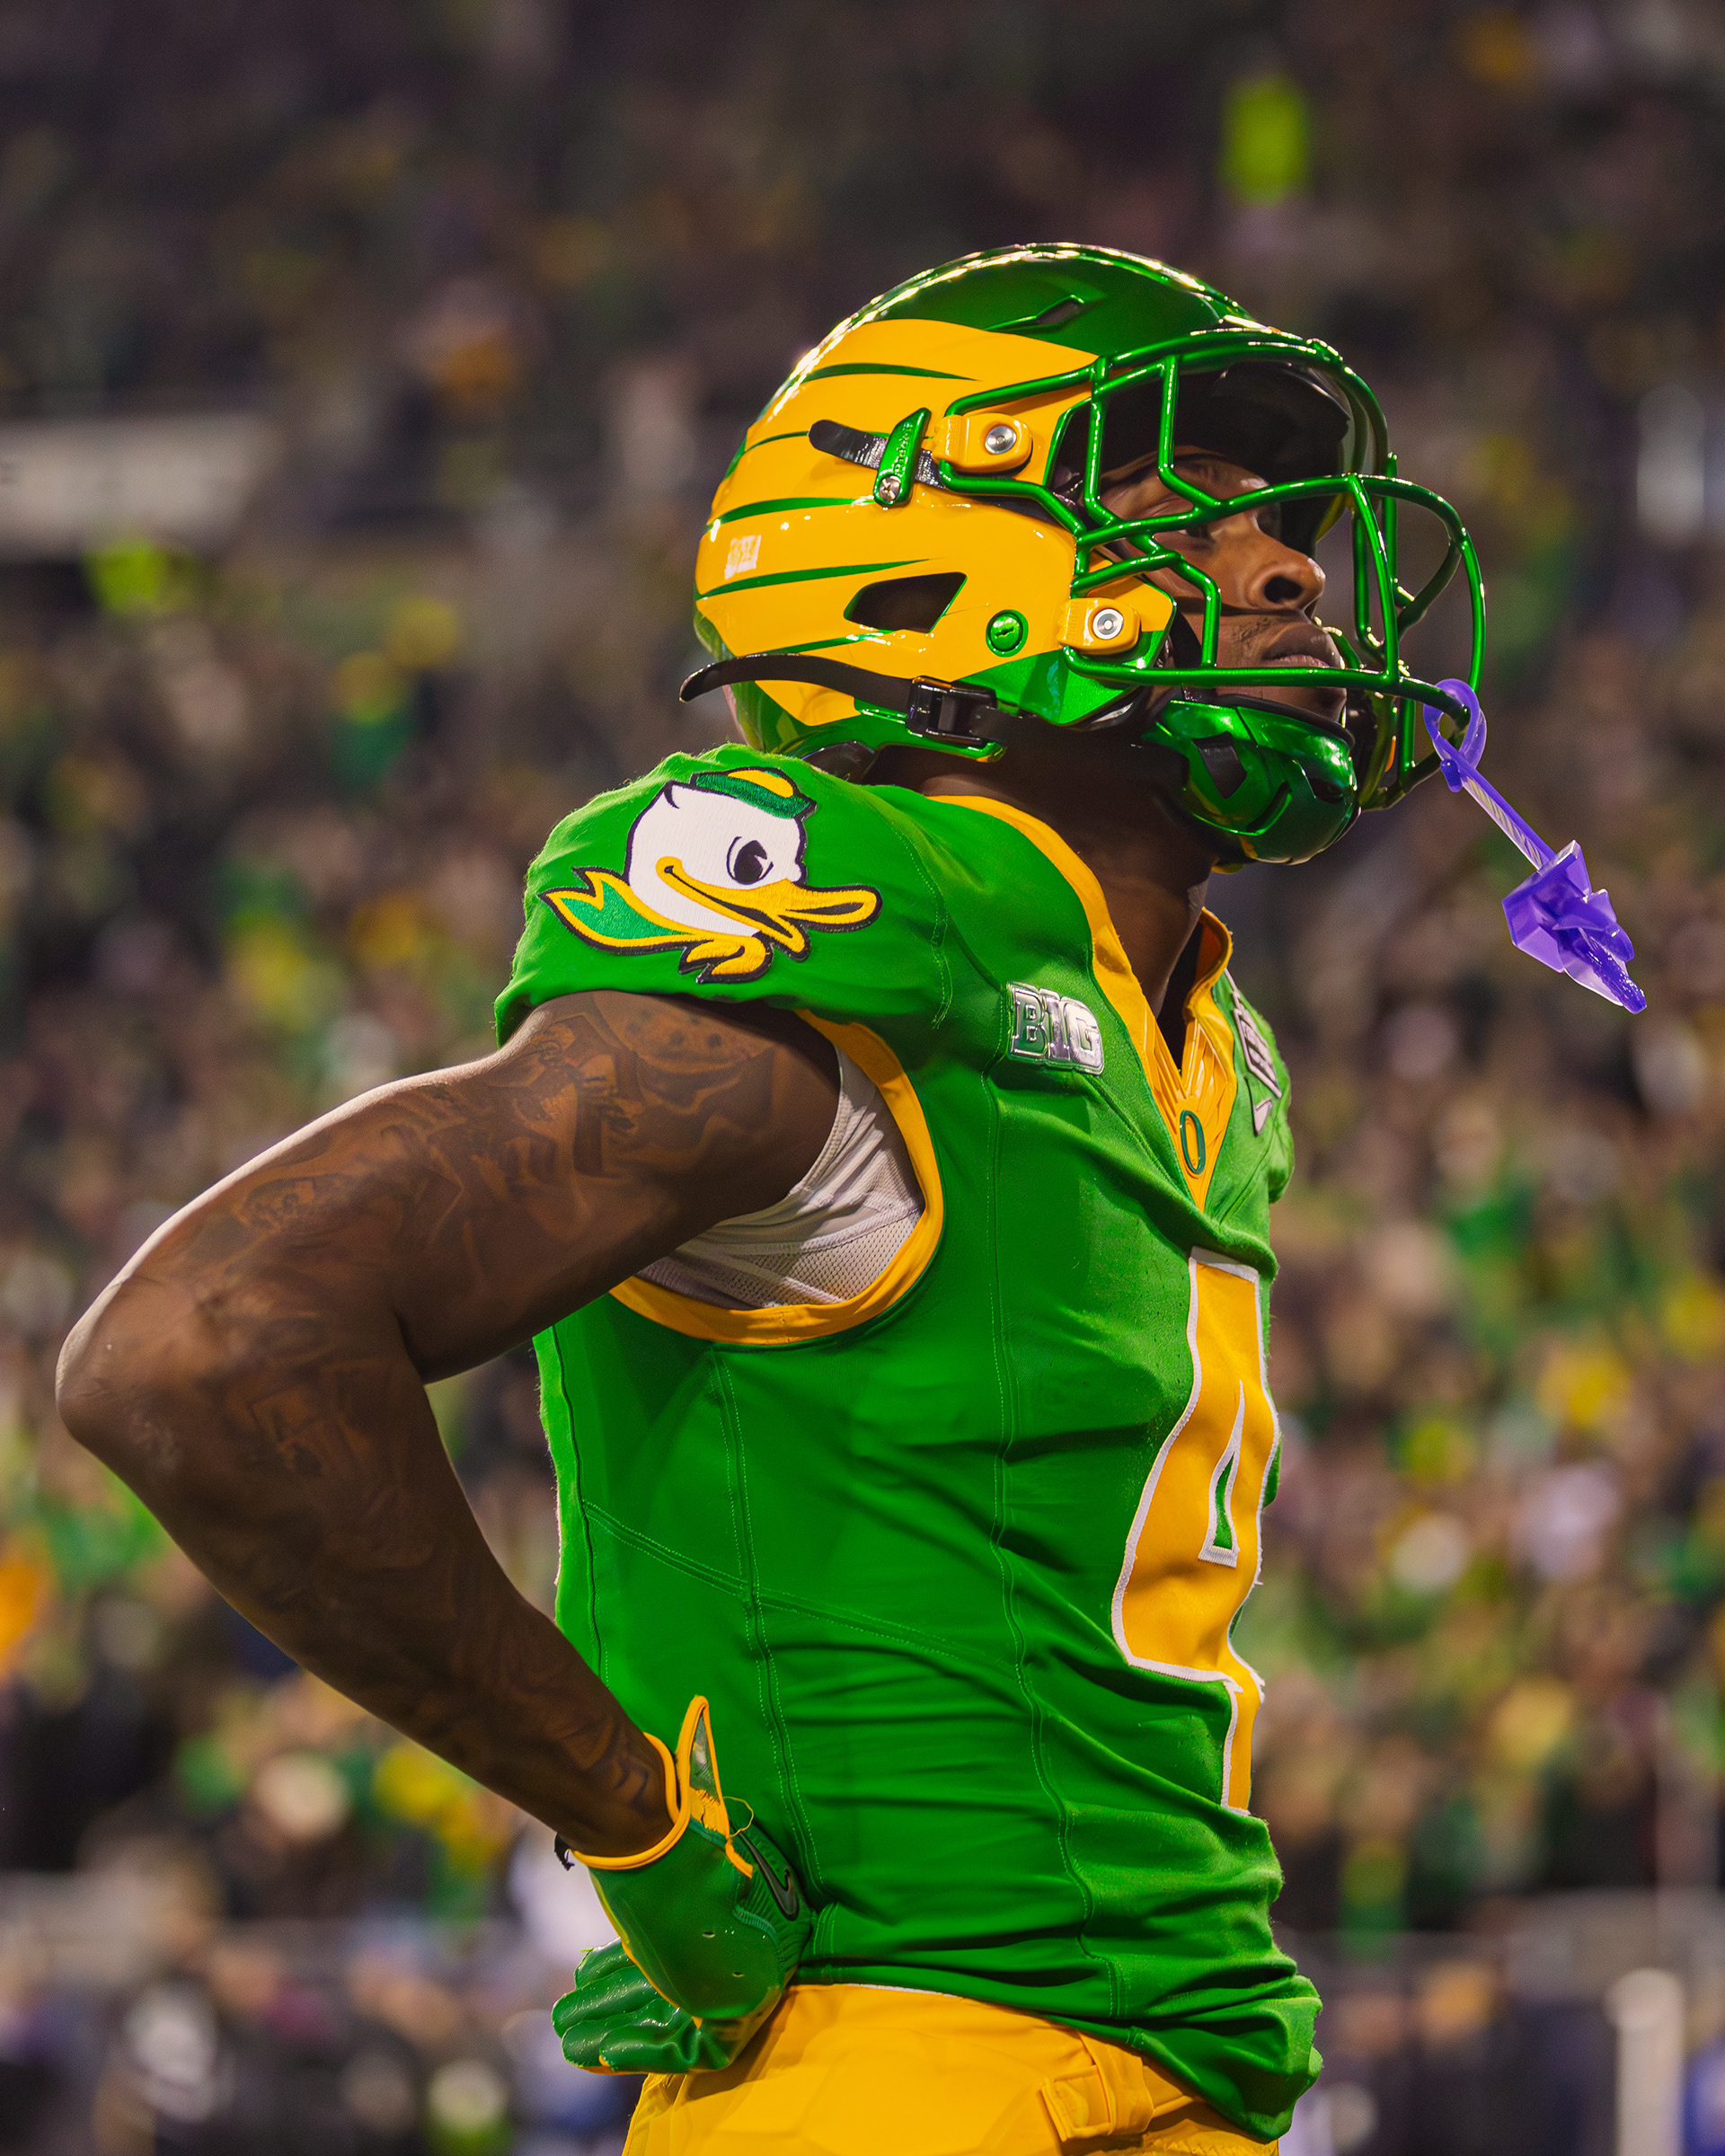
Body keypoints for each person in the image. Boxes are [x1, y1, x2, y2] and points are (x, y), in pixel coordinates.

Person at [58, 245, 1484, 2154]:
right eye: (1178, 498)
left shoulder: (1190, 1024)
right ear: (916, 559)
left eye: (1282, 516)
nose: (1290, 568)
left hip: (1155, 2060)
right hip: (896, 2075)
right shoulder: (858, 926)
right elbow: (206, 1347)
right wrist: (632, 1824)